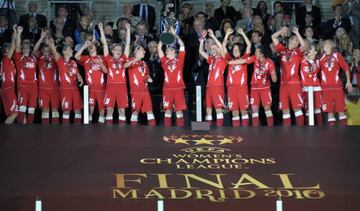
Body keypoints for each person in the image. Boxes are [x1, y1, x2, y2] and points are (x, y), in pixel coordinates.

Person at [272, 26, 306, 126]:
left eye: (297, 40)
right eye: (294, 39)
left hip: (294, 84)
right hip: (283, 85)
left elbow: (303, 45)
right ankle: (287, 133)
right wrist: (281, 30)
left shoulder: (298, 52)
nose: (296, 42)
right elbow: (273, 37)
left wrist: (297, 33)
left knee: (297, 109)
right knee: (285, 110)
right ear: (290, 40)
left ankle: (300, 133)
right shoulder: (282, 50)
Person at [238, 45, 277, 126]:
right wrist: (230, 62)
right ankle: (255, 130)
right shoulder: (254, 58)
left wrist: (273, 75)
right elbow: (243, 61)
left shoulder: (269, 62)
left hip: (265, 88)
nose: (255, 53)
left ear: (262, 54)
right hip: (254, 88)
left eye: (256, 52)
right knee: (254, 111)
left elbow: (274, 78)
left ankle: (271, 129)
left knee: (268, 110)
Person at [99, 22, 130, 124]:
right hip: (110, 87)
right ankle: (108, 134)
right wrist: (101, 30)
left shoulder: (123, 59)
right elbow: (104, 43)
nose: (119, 51)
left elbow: (128, 44)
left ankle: (122, 134)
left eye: (120, 49)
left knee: (122, 110)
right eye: (117, 49)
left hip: (122, 87)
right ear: (112, 50)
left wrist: (128, 30)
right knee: (109, 110)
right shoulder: (108, 58)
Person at [48, 37, 84, 124]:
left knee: (78, 111)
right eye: (69, 49)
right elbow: (54, 51)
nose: (72, 50)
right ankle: (65, 132)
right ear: (64, 52)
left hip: (75, 88)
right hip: (65, 89)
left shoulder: (73, 62)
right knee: (66, 111)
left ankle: (78, 130)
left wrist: (80, 78)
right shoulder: (60, 61)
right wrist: (52, 44)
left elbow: (77, 73)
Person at [319, 39, 352, 125]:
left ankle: (344, 134)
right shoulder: (321, 57)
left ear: (332, 46)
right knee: (330, 113)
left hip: (337, 88)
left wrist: (348, 82)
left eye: (328, 43)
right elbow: (316, 71)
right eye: (324, 44)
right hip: (325, 89)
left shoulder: (337, 55)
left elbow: (346, 68)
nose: (325, 45)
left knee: (341, 112)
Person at [158, 28, 186, 126]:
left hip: (178, 88)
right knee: (168, 111)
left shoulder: (180, 60)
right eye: (166, 50)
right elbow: (159, 48)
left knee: (179, 111)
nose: (166, 51)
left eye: (168, 49)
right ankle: (167, 132)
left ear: (174, 51)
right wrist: (164, 35)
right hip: (167, 89)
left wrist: (175, 34)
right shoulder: (164, 61)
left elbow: (182, 45)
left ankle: (180, 132)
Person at [223, 28, 251, 126]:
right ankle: (236, 133)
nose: (235, 51)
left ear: (241, 51)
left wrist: (243, 33)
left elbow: (249, 45)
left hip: (242, 88)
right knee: (234, 112)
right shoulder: (229, 59)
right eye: (234, 49)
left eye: (237, 49)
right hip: (231, 89)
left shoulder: (244, 58)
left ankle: (245, 133)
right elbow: (223, 48)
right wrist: (227, 35)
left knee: (244, 111)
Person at [75, 39, 108, 124]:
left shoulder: (102, 58)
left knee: (102, 111)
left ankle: (102, 131)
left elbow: (106, 71)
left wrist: (100, 63)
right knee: (90, 110)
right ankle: (89, 130)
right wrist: (84, 46)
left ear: (96, 48)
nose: (91, 48)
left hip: (101, 89)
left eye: (92, 47)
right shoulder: (86, 58)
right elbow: (76, 56)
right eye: (89, 47)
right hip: (90, 89)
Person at [199, 29, 226, 127]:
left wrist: (214, 36)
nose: (212, 50)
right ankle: (208, 130)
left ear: (219, 50)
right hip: (209, 87)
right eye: (211, 49)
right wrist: (202, 39)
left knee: (218, 109)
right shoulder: (211, 60)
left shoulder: (223, 60)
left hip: (218, 87)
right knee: (208, 109)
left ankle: (220, 130)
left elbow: (222, 48)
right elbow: (201, 51)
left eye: (215, 49)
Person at [33, 29, 60, 124]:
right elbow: (34, 50)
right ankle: (45, 133)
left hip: (55, 88)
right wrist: (41, 38)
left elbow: (59, 58)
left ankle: (55, 132)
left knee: (55, 112)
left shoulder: (55, 57)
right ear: (42, 51)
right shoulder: (39, 57)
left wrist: (52, 46)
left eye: (48, 51)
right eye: (44, 51)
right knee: (45, 112)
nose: (46, 53)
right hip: (43, 88)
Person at [124, 45, 156, 126]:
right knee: (135, 111)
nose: (144, 52)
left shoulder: (144, 63)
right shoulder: (131, 60)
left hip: (145, 91)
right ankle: (133, 131)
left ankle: (153, 131)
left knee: (149, 110)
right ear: (136, 51)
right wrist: (134, 60)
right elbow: (125, 66)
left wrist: (149, 78)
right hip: (135, 91)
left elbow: (147, 74)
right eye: (142, 50)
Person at [14, 26, 38, 124]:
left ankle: (30, 130)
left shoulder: (34, 57)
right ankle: (20, 131)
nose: (27, 44)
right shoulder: (18, 57)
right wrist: (19, 33)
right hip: (23, 86)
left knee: (32, 109)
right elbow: (17, 46)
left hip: (34, 87)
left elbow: (36, 48)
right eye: (25, 42)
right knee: (22, 108)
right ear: (22, 45)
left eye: (28, 43)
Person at [300, 44, 323, 125]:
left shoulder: (318, 61)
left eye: (311, 49)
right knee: (307, 110)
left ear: (315, 52)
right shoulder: (302, 59)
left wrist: (310, 60)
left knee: (317, 109)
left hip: (315, 88)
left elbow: (315, 70)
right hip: (305, 88)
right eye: (308, 48)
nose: (308, 49)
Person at [0, 26, 18, 123]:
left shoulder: (7, 62)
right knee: (15, 113)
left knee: (12, 114)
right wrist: (15, 33)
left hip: (5, 88)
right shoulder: (6, 60)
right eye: (7, 48)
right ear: (4, 52)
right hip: (8, 87)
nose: (10, 48)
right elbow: (14, 46)